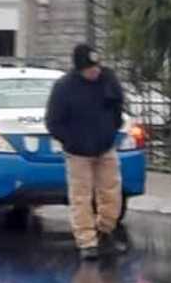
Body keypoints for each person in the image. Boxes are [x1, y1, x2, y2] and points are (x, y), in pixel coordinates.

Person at [47, 44, 126, 260]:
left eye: (97, 66)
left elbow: (118, 106)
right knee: (81, 197)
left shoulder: (108, 80)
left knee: (111, 193)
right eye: (90, 68)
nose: (95, 71)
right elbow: (53, 122)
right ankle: (87, 242)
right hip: (78, 151)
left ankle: (105, 231)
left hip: (105, 147)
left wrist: (111, 130)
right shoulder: (64, 87)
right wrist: (70, 140)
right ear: (80, 68)